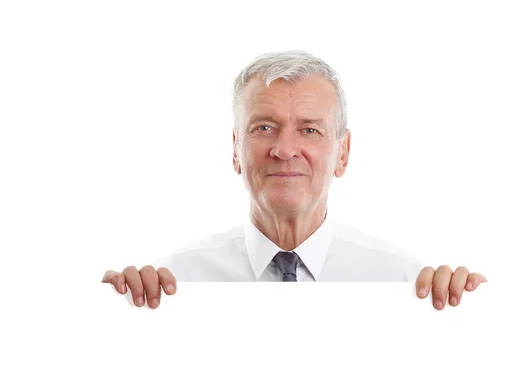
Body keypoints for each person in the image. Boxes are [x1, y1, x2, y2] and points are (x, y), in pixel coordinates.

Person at [102, 50, 487, 311]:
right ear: (236, 149)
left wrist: (470, 314)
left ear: (343, 153)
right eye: (264, 127)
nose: (285, 150)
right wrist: (114, 314)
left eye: (309, 130)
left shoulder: (405, 287)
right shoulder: (173, 288)